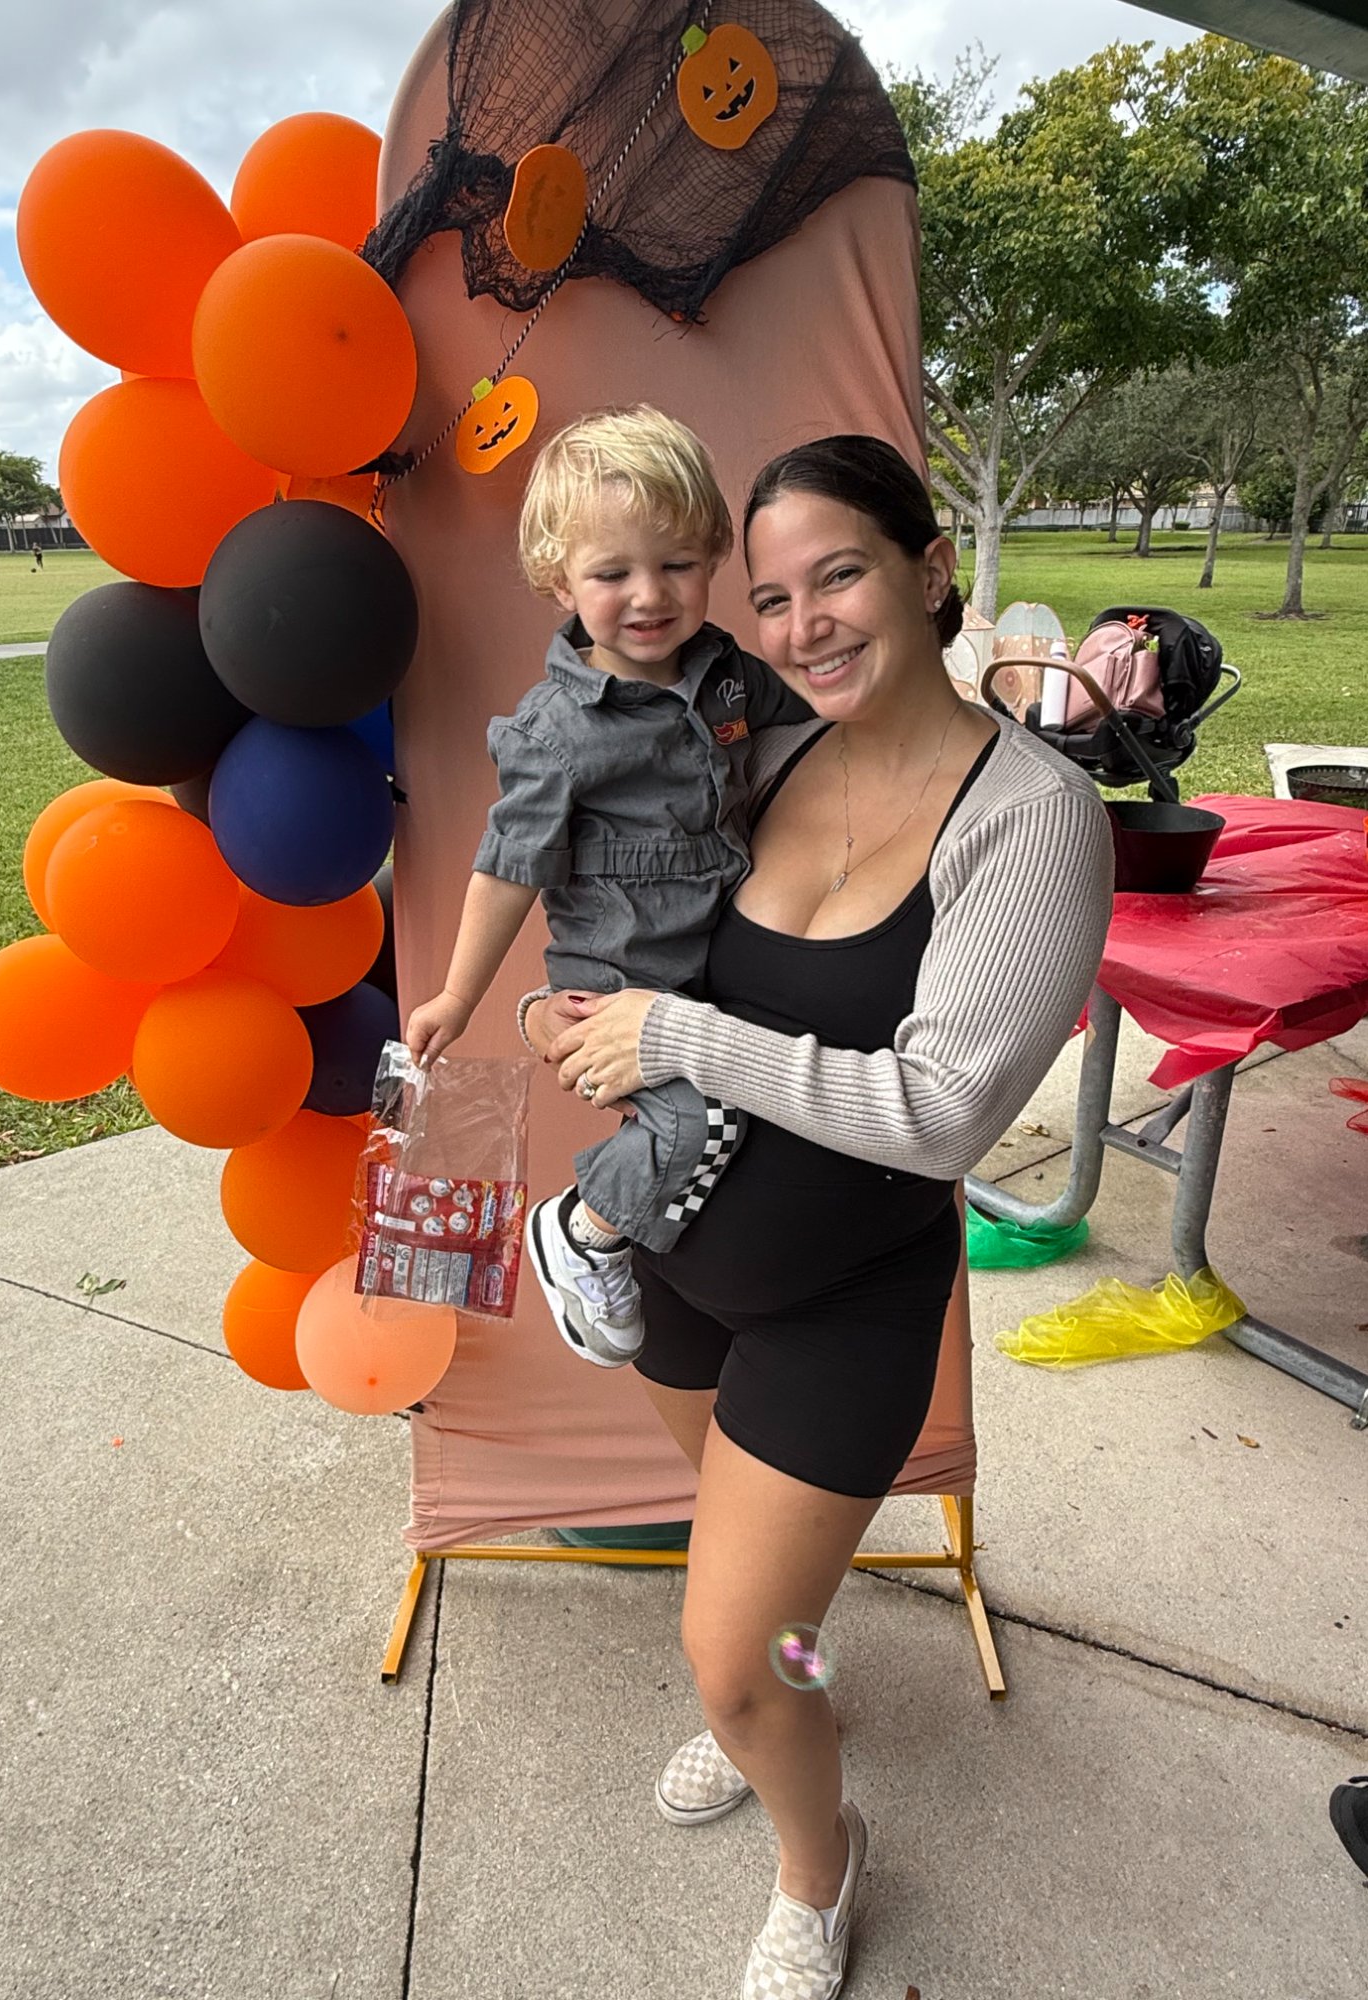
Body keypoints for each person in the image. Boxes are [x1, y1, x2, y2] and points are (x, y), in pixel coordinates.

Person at [527, 434, 1113, 2000]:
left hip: (842, 1301)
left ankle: (821, 1857)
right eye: (771, 593)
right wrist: (589, 1019)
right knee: (764, 1606)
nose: (800, 624)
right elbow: (664, 951)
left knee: (726, 1649)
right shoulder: (766, 751)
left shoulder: (1033, 819)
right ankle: (779, 1686)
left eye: (839, 575)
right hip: (677, 1275)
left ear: (927, 572)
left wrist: (677, 1041)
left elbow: (940, 1115)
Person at [404, 405, 811, 1366]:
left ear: (715, 555)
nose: (649, 594)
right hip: (615, 994)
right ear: (559, 581)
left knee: (772, 1096)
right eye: (611, 573)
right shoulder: (556, 733)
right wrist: (461, 995)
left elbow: (822, 739)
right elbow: (506, 869)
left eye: (676, 563)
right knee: (709, 1114)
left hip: (721, 974)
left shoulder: (729, 678)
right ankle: (586, 1230)